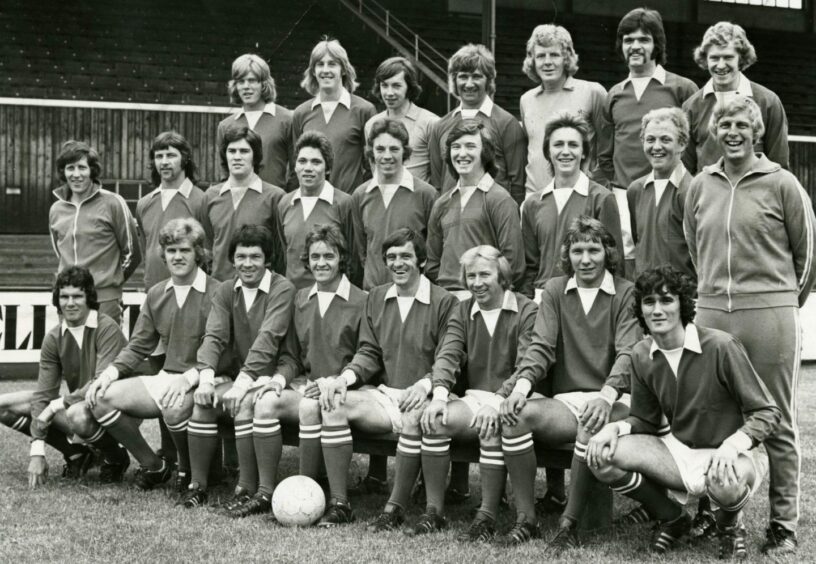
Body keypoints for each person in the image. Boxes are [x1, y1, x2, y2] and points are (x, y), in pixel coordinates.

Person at [684, 95, 816, 556]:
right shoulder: (700, 185)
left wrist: (777, 303)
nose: (733, 132)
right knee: (709, 415)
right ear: (715, 132)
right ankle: (709, 512)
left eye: (742, 124)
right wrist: (715, 298)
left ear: (756, 131)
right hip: (711, 314)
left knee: (776, 418)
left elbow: (807, 258)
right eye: (725, 125)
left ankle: (782, 524)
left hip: (771, 315)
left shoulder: (783, 184)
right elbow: (693, 246)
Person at [587, 265, 781, 559]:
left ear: (683, 304)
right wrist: (615, 428)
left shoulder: (721, 346)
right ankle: (673, 517)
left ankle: (728, 526)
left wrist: (732, 445)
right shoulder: (641, 354)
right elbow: (646, 420)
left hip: (731, 454)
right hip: (679, 452)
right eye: (649, 302)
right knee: (601, 456)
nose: (657, 310)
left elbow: (767, 412)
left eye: (667, 300)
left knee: (725, 483)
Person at [496, 217, 639, 548]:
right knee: (515, 416)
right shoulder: (555, 290)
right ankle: (526, 518)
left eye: (593, 249)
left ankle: (568, 524)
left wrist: (606, 396)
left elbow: (629, 352)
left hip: (616, 399)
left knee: (591, 422)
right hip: (569, 400)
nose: (585, 259)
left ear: (608, 253)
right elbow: (541, 347)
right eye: (577, 250)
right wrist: (520, 389)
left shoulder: (625, 292)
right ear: (567, 254)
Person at [309, 228, 457, 531]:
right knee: (334, 403)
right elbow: (369, 351)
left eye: (406, 256)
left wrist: (425, 384)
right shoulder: (377, 296)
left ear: (422, 262)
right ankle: (340, 504)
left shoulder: (445, 301)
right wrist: (345, 379)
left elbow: (449, 357)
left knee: (418, 417)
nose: (398, 263)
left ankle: (396, 508)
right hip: (386, 396)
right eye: (391, 257)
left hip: (427, 395)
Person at [85, 219, 222, 493]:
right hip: (168, 376)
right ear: (163, 254)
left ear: (198, 252)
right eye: (171, 251)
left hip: (208, 376)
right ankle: (155, 466)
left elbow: (224, 349)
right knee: (100, 399)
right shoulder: (157, 293)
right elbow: (138, 345)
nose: (178, 256)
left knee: (173, 407)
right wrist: (108, 375)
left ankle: (193, 469)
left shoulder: (219, 292)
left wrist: (189, 377)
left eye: (184, 250)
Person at [248, 224, 367, 523]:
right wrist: (278, 380)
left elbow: (369, 356)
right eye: (315, 256)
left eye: (329, 255)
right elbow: (291, 357)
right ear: (307, 259)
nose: (321, 262)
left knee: (311, 405)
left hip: (347, 389)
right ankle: (264, 492)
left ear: (341, 257)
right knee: (265, 403)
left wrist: (336, 381)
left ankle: (317, 495)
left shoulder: (363, 300)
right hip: (307, 384)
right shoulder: (300, 299)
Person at [419, 246, 537, 541]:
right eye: (471, 276)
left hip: (517, 398)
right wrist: (440, 396)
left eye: (485, 274)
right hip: (475, 398)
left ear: (503, 276)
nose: (477, 282)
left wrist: (498, 401)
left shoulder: (527, 309)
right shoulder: (463, 309)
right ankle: (434, 511)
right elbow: (448, 354)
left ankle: (486, 515)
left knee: (492, 427)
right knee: (435, 421)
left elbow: (526, 365)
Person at [180, 225, 295, 512]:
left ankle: (247, 487)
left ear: (267, 260)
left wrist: (242, 383)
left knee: (243, 404)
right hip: (242, 375)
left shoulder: (282, 288)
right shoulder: (225, 290)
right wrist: (206, 379)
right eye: (241, 256)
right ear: (232, 259)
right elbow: (214, 336)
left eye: (255, 257)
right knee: (202, 405)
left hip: (279, 373)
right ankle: (198, 485)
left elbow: (269, 339)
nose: (247, 264)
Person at [0, 267, 129, 487]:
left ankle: (116, 458)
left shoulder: (107, 328)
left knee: (77, 415)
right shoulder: (53, 338)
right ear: (57, 300)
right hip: (79, 409)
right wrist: (37, 450)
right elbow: (43, 395)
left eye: (77, 296)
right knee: (5, 405)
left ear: (89, 297)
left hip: (118, 412)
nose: (70, 303)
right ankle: (77, 455)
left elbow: (99, 384)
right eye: (64, 296)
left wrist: (53, 408)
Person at [599, 8, 698, 277]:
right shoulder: (614, 95)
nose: (635, 46)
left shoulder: (682, 88)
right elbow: (605, 154)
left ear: (657, 44)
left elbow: (693, 144)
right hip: (625, 195)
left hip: (670, 191)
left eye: (643, 39)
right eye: (628, 40)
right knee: (628, 264)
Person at [520, 112, 621, 301]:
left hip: (587, 297)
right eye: (558, 145)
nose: (565, 151)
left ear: (584, 152)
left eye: (573, 145)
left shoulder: (601, 198)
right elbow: (530, 265)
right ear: (547, 152)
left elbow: (614, 262)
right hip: (543, 299)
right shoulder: (533, 204)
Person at [426, 120, 524, 298]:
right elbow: (432, 264)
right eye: (456, 147)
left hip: (485, 299)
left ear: (485, 152)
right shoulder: (441, 204)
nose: (462, 153)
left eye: (470, 146)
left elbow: (512, 264)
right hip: (445, 301)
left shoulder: (500, 200)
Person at [49, 141, 141, 325]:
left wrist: (108, 281)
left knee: (106, 353)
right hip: (68, 300)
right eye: (70, 168)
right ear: (63, 172)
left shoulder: (114, 202)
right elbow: (60, 253)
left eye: (82, 167)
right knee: (71, 353)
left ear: (92, 170)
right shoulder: (56, 209)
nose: (76, 174)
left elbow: (132, 253)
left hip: (104, 300)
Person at [682, 21, 788, 173]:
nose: (720, 65)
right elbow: (685, 170)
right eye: (714, 58)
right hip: (708, 196)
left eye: (728, 57)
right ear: (705, 59)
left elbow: (779, 166)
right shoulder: (691, 107)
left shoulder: (768, 102)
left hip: (755, 195)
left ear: (741, 59)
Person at [519, 24, 612, 195]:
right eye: (540, 56)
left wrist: (592, 190)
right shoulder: (526, 100)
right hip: (535, 199)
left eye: (554, 55)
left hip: (580, 197)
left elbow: (608, 150)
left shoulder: (592, 92)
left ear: (566, 58)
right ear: (532, 61)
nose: (547, 62)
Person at [428, 44, 527, 203]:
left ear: (488, 80)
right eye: (463, 76)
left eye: (476, 76)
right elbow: (438, 185)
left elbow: (518, 185)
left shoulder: (507, 123)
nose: (468, 84)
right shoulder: (440, 126)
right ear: (454, 80)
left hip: (492, 219)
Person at [353, 118, 438, 290]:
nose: (387, 156)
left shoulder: (426, 194)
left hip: (413, 294)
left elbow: (433, 252)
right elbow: (362, 252)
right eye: (380, 149)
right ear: (371, 152)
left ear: (405, 152)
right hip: (372, 295)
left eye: (394, 149)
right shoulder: (360, 195)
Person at [291, 38, 376, 193]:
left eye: (332, 64)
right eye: (320, 64)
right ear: (313, 71)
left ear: (343, 69)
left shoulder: (364, 110)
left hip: (349, 204)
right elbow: (296, 164)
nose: (325, 70)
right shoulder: (301, 113)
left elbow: (371, 164)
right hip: (311, 203)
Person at [204, 123, 286, 281]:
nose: (237, 157)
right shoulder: (210, 196)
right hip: (219, 290)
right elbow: (207, 248)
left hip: (261, 290)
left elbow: (281, 253)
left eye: (244, 151)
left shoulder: (275, 197)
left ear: (255, 156)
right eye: (231, 151)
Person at [278, 131, 355, 289]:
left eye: (315, 162)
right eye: (302, 161)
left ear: (327, 168)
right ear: (295, 166)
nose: (308, 168)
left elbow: (353, 257)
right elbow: (283, 254)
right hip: (293, 298)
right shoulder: (285, 203)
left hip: (331, 296)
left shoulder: (344, 203)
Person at [627, 107, 695, 280]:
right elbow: (638, 242)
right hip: (645, 295)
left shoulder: (693, 190)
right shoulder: (635, 190)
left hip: (682, 296)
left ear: (682, 143)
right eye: (650, 139)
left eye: (665, 139)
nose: (657, 147)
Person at [136, 131, 209, 292]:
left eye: (171, 155)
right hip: (153, 292)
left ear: (184, 158)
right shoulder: (144, 204)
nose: (164, 162)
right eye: (159, 156)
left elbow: (208, 254)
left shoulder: (202, 201)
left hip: (191, 293)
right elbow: (146, 251)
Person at [216, 54, 294, 190]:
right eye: (241, 81)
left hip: (276, 204)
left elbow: (296, 169)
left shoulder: (287, 120)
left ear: (264, 84)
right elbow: (224, 173)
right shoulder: (226, 126)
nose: (246, 86)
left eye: (252, 81)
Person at [365, 57, 439, 183]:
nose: (389, 93)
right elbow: (375, 170)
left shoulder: (431, 123)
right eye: (384, 86)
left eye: (396, 86)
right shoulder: (371, 124)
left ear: (409, 88)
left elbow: (438, 175)